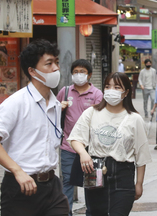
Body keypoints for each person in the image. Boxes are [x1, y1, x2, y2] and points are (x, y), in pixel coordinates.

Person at [0, 39, 70, 216]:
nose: (56, 69)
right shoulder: (16, 102)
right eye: (49, 63)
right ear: (32, 71)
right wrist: (18, 171)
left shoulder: (55, 103)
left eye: (57, 63)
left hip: (52, 187)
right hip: (20, 187)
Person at [69, 72, 151, 216]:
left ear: (126, 92)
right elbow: (75, 138)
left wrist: (139, 183)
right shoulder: (91, 112)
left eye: (117, 87)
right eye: (108, 86)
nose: (111, 90)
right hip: (95, 171)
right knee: (94, 213)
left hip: (123, 173)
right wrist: (83, 153)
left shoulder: (135, 119)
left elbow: (141, 154)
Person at [57, 59, 103, 216]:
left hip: (90, 148)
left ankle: (92, 212)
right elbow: (53, 113)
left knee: (91, 184)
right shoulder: (65, 92)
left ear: (89, 75)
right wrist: (59, 108)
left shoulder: (97, 94)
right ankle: (66, 212)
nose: (78, 75)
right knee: (67, 182)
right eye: (75, 72)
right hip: (68, 146)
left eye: (82, 72)